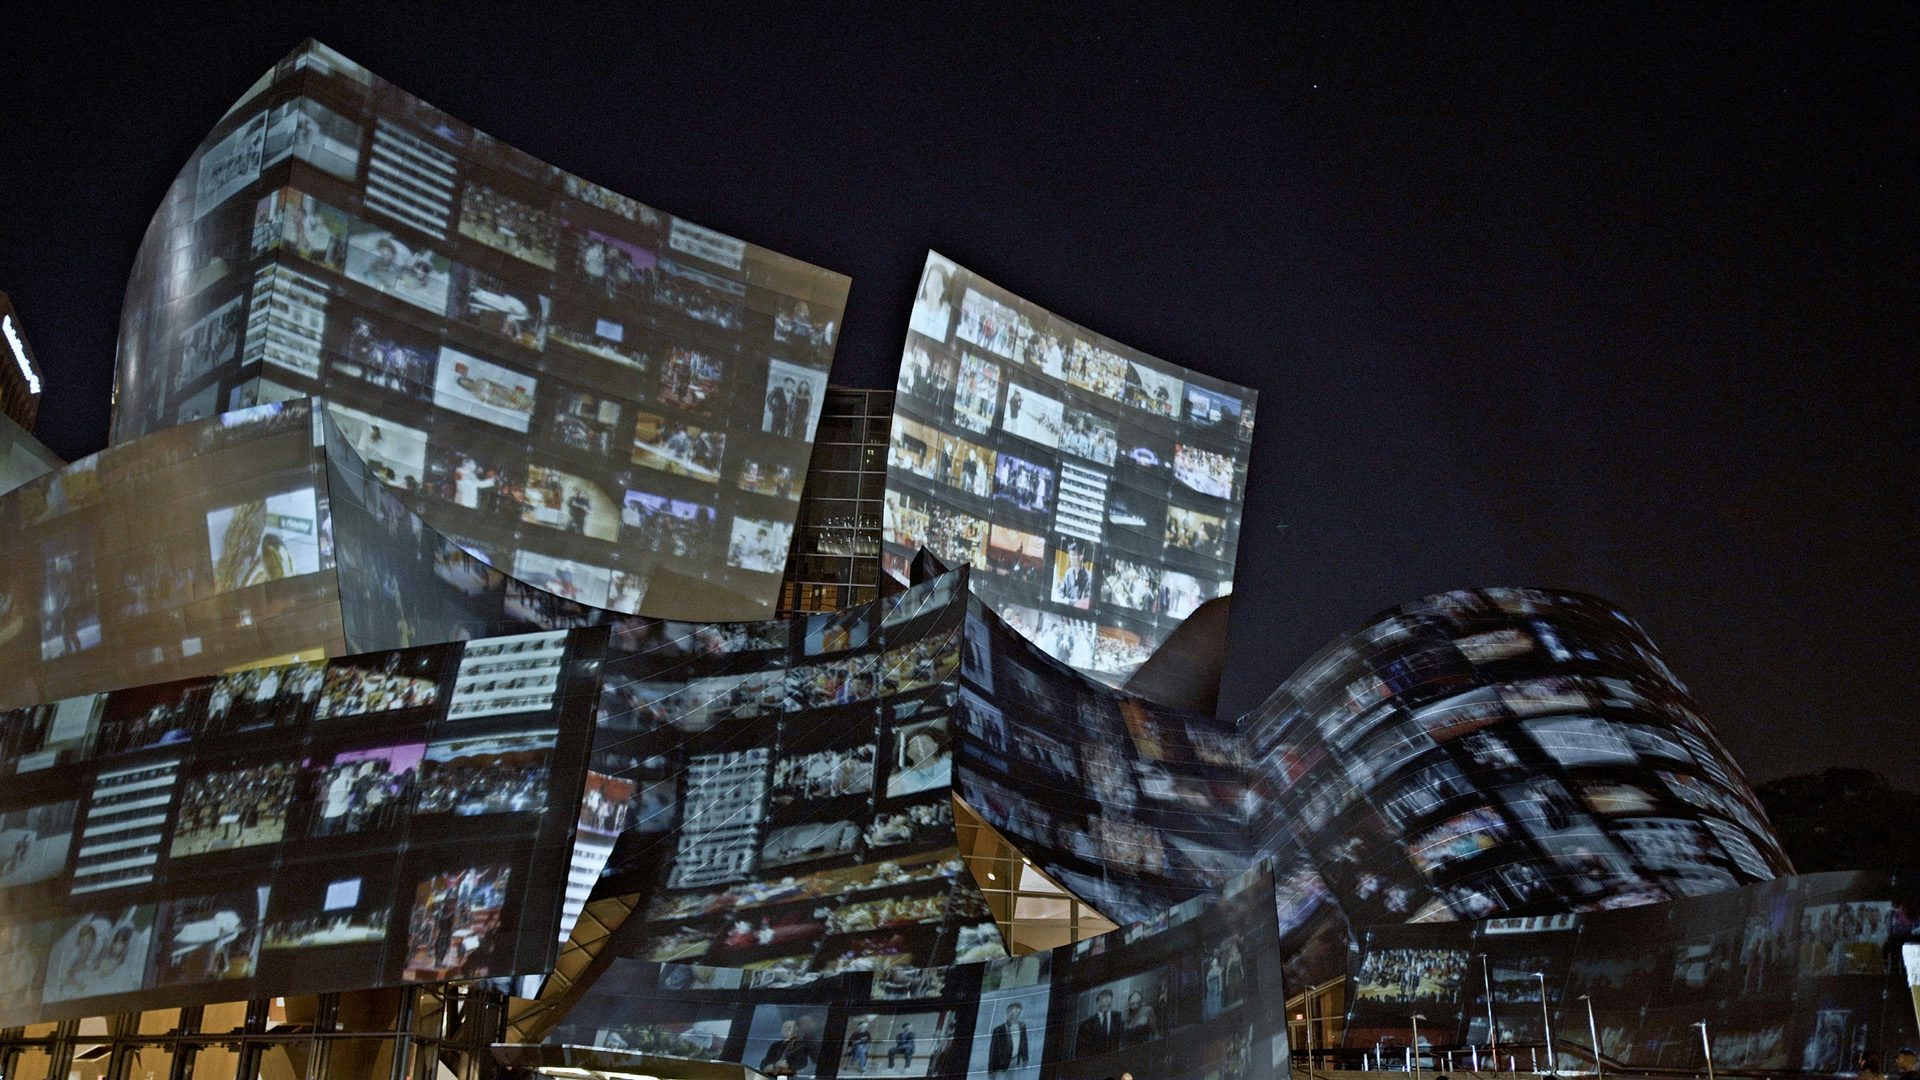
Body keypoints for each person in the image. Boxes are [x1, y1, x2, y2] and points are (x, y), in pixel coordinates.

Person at [987, 1002, 1029, 1079]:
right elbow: (993, 1051)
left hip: (1015, 1060)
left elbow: (1024, 1042)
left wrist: (1025, 1058)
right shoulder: (999, 1030)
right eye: (1012, 1011)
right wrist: (991, 1070)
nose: (1015, 1013)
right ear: (1007, 1013)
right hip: (1003, 1062)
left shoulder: (1022, 1026)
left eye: (1017, 1011)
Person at [1078, 988, 1124, 1056]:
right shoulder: (1088, 1023)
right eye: (1102, 1000)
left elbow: (1122, 1039)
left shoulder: (1118, 1018)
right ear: (1097, 1002)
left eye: (1108, 1004)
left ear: (1111, 1002)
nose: (1105, 1004)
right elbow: (1083, 1049)